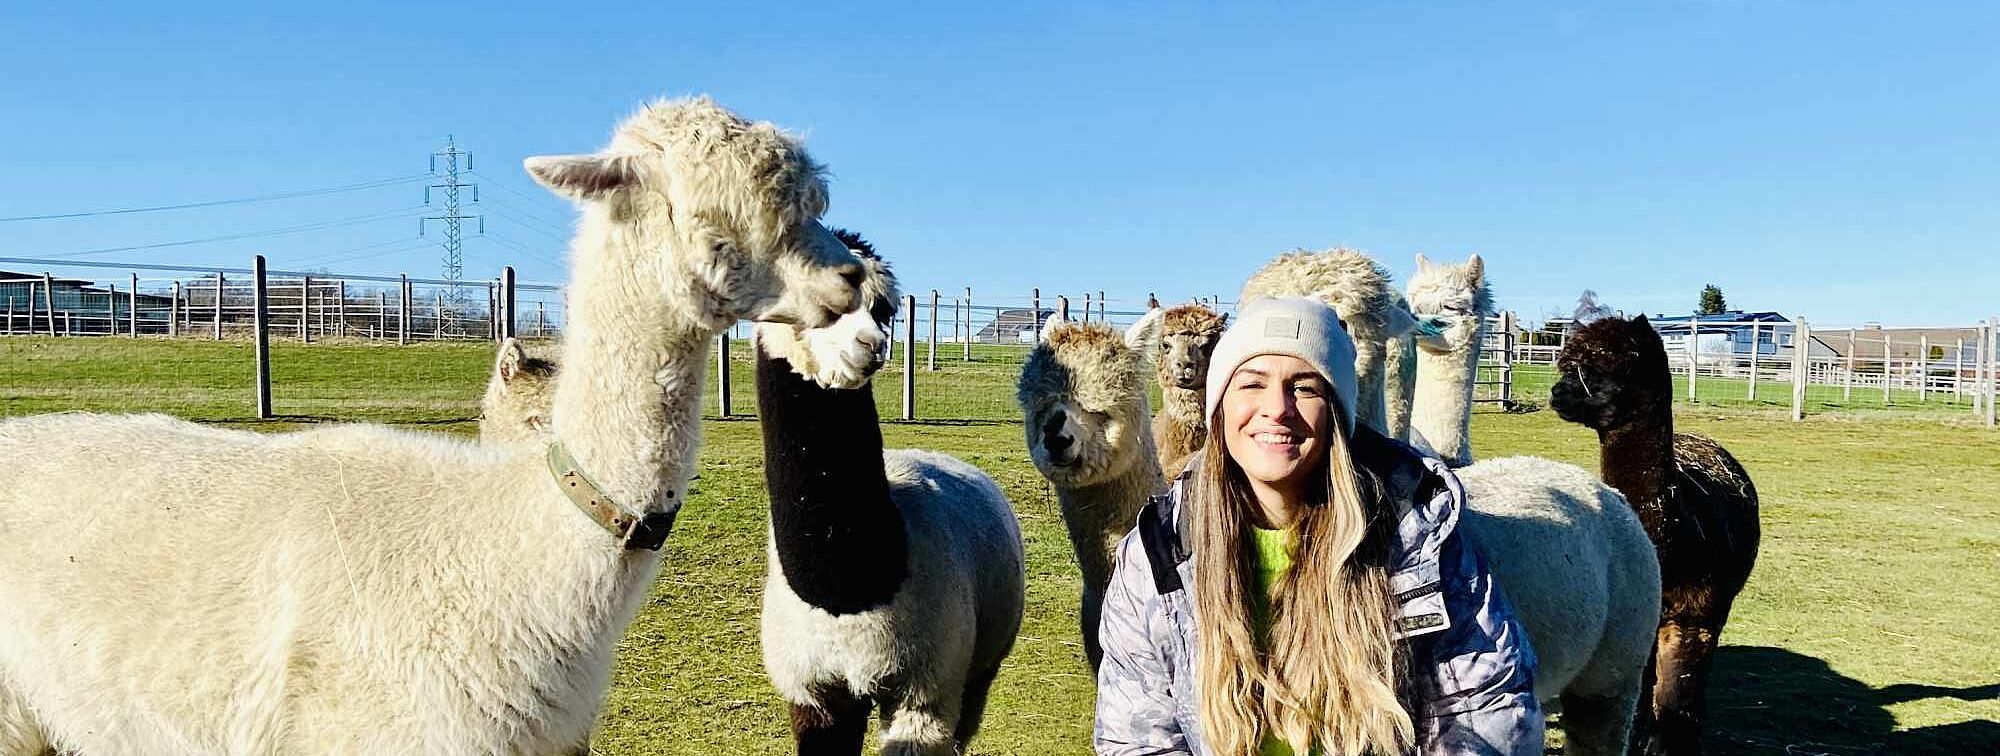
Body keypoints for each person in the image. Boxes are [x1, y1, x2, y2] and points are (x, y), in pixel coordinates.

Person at [1094, 297, 1542, 756]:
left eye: (1304, 388)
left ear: (1336, 411)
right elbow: (1136, 736)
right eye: (1251, 383)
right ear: (1221, 406)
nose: (1277, 408)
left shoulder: (1416, 540)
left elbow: (1485, 711)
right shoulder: (1159, 554)